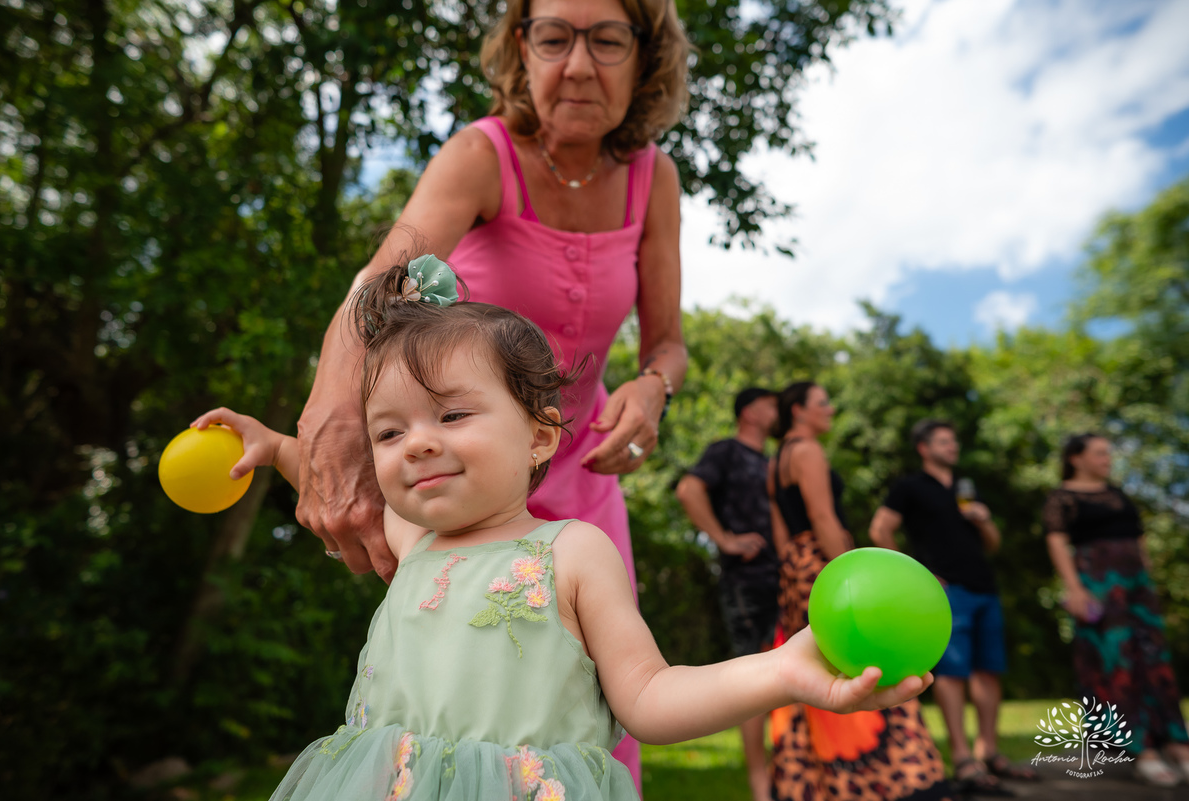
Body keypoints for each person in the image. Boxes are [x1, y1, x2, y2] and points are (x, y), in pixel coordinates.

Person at [191, 259, 933, 801]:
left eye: (452, 414)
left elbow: (649, 695)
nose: (415, 443)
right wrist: (275, 447)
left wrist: (781, 672)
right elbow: (328, 482)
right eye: (388, 432)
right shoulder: (412, 541)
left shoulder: (571, 552)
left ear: (540, 436)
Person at [296, 5, 691, 781]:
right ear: (522, 46)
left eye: (607, 39)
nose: (578, 64)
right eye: (554, 37)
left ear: (646, 55)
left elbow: (667, 343)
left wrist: (653, 388)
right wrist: (326, 428)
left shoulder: (655, 179)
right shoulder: (481, 155)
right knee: (467, 698)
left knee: (604, 709)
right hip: (471, 470)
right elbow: (377, 287)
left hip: (586, 480)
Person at [768, 383, 951, 801]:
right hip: (827, 565)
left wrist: (793, 569)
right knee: (868, 661)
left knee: (815, 669)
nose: (830, 409)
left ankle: (817, 785)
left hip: (796, 571)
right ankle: (898, 780)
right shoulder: (808, 450)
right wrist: (852, 573)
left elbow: (780, 530)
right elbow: (822, 515)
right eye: (823, 402)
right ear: (798, 410)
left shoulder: (775, 460)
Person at [869, 419, 1037, 795]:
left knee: (989, 670)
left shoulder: (966, 489)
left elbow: (992, 544)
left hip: (984, 587)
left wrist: (985, 521)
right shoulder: (910, 487)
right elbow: (880, 529)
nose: (953, 447)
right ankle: (963, 759)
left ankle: (988, 752)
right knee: (952, 672)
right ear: (924, 448)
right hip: (945, 593)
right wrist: (918, 575)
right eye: (944, 441)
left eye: (954, 441)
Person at [1043, 433, 1189, 787]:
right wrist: (1075, 590)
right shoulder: (1062, 498)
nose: (1107, 459)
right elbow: (1057, 543)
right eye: (1100, 453)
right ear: (1076, 458)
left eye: (1108, 453)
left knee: (1154, 659)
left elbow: (1138, 539)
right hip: (1097, 585)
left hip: (1137, 586)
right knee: (1115, 661)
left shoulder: (1119, 494)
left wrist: (1146, 581)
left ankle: (1176, 743)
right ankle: (1141, 751)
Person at [675, 387, 780, 801]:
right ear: (750, 412)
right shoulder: (727, 451)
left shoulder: (771, 460)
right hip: (747, 581)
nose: (778, 412)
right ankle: (761, 787)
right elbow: (689, 489)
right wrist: (724, 539)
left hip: (783, 580)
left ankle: (789, 775)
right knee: (756, 677)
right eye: (771, 405)